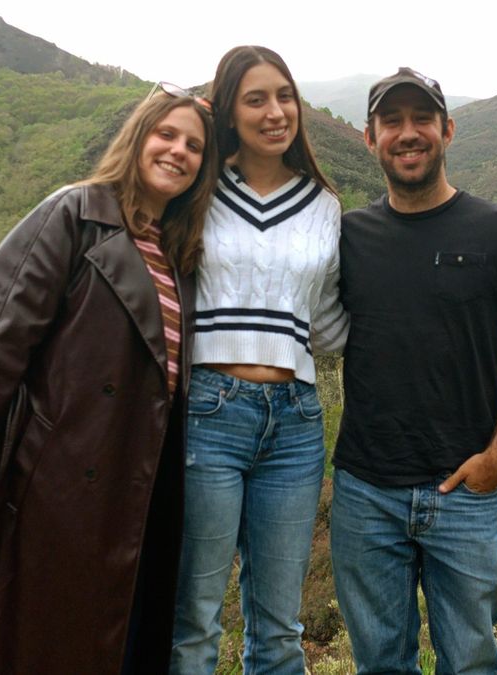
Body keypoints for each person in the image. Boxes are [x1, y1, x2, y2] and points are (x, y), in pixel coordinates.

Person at [0, 86, 217, 674]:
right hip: (54, 479)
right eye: (166, 135)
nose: (178, 151)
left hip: (137, 482)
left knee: (110, 639)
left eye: (194, 146)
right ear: (138, 136)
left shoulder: (179, 251)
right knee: (36, 641)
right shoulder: (75, 214)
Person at [331, 68, 497, 674]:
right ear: (369, 137)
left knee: (472, 664)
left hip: (466, 492)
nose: (409, 134)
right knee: (379, 664)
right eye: (392, 122)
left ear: (448, 130)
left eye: (422, 119)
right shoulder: (348, 237)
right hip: (364, 493)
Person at [169, 45, 347, 675]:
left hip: (297, 423)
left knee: (279, 627)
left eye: (284, 96)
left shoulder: (324, 205)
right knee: (194, 617)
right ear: (228, 112)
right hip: (209, 414)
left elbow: (326, 326)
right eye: (256, 99)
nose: (276, 112)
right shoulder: (195, 188)